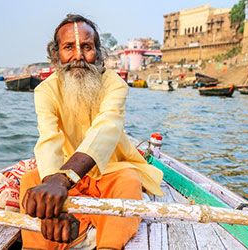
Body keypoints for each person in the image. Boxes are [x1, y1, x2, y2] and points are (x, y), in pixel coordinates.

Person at [19, 14, 164, 250]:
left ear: (98, 52)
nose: (78, 56)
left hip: (109, 171)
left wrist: (63, 181)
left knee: (128, 181)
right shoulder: (45, 91)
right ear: (56, 55)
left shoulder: (114, 84)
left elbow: (106, 128)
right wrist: (52, 187)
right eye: (69, 47)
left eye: (86, 47)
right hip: (63, 175)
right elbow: (49, 140)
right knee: (30, 181)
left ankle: (108, 245)